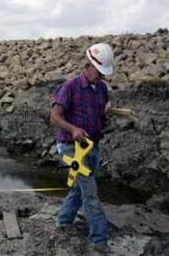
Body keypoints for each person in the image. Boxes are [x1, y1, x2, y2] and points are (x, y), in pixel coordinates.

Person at [50, 43, 114, 253]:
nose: (102, 77)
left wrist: (107, 115)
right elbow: (55, 117)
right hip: (71, 147)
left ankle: (63, 220)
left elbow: (99, 116)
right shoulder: (70, 87)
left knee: (80, 188)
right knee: (90, 193)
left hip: (92, 146)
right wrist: (74, 129)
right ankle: (100, 240)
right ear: (88, 66)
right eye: (99, 72)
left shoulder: (102, 89)